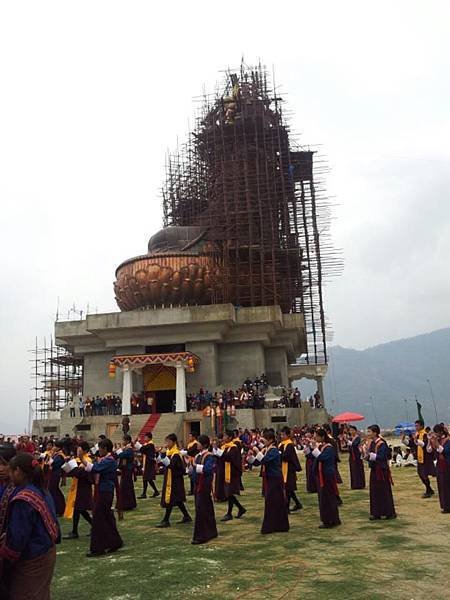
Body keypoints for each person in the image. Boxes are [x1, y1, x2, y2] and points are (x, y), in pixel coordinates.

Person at [0, 453, 60, 600]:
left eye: (11, 471)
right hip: (47, 551)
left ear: (18, 471)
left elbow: (17, 538)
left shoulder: (23, 499)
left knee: (25, 594)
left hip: (33, 557)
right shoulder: (41, 490)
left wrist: (6, 554)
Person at [82, 438, 123, 557]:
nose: (99, 450)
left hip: (104, 491)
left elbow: (95, 468)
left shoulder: (109, 460)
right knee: (107, 517)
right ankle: (115, 542)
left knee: (98, 519)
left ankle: (98, 548)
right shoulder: (106, 459)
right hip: (104, 491)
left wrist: (82, 458)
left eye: (100, 448)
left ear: (105, 449)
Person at [253, 429, 289, 534]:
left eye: (265, 438)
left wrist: (257, 451)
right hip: (270, 478)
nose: (263, 440)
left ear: (271, 440)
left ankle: (274, 526)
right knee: (273, 502)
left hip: (275, 479)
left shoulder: (273, 450)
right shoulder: (267, 449)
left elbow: (264, 460)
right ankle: (277, 525)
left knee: (273, 502)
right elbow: (258, 462)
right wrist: (250, 458)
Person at [156, 434, 192, 528]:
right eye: (166, 441)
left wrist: (164, 457)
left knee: (171, 498)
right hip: (170, 477)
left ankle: (166, 520)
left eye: (168, 442)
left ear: (174, 442)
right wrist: (160, 455)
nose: (166, 444)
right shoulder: (170, 452)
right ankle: (187, 516)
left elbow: (173, 466)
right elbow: (164, 463)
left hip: (175, 479)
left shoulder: (176, 454)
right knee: (177, 499)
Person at [62, 441, 93, 539]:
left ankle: (76, 531)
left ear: (85, 450)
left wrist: (73, 468)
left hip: (83, 487)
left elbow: (79, 473)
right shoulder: (76, 460)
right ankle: (92, 526)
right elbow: (70, 473)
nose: (77, 450)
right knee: (80, 509)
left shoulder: (87, 460)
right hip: (77, 487)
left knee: (79, 508)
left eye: (79, 448)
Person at [365, 424, 396, 520]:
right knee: (375, 492)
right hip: (374, 469)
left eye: (369, 431)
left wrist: (372, 456)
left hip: (381, 470)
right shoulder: (373, 443)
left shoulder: (381, 443)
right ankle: (376, 512)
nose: (368, 433)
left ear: (375, 433)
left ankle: (388, 512)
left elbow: (383, 456)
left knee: (384, 491)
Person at [191, 435, 218, 545]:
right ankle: (211, 531)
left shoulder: (209, 456)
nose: (197, 445)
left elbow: (208, 469)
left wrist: (194, 466)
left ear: (205, 445)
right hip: (198, 485)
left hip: (204, 486)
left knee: (202, 509)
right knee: (206, 508)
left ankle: (202, 535)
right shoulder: (198, 455)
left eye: (199, 443)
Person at [312, 428, 341, 529]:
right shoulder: (322, 446)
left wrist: (314, 449)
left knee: (328, 498)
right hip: (322, 475)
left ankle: (331, 520)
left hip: (327, 476)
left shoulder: (329, 448)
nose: (315, 438)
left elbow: (322, 458)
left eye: (316, 436)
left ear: (322, 436)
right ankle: (331, 519)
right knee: (325, 498)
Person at [214, 430, 246, 521]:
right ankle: (240, 509)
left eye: (225, 436)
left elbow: (229, 458)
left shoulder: (234, 447)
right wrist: (216, 453)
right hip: (225, 472)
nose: (223, 438)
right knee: (229, 493)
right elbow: (222, 458)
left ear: (230, 437)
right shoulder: (224, 447)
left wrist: (220, 453)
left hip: (232, 473)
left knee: (229, 493)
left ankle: (230, 513)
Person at [403, 420, 436, 498]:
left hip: (426, 458)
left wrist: (416, 440)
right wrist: (404, 440)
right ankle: (429, 489)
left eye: (417, 425)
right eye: (415, 426)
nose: (416, 427)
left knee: (427, 473)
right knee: (421, 474)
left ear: (421, 426)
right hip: (419, 458)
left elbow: (424, 444)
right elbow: (412, 444)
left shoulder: (425, 434)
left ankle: (429, 490)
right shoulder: (417, 434)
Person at [279, 426, 302, 512]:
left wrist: (280, 454)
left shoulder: (289, 445)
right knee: (289, 488)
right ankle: (297, 504)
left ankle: (286, 508)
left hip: (289, 469)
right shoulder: (281, 444)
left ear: (288, 435)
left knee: (288, 488)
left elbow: (287, 457)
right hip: (283, 468)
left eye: (283, 434)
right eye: (281, 434)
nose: (282, 436)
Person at [429, 424, 450, 513]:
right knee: (441, 486)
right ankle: (445, 506)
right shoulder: (439, 440)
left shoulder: (448, 440)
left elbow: (445, 451)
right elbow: (429, 450)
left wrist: (437, 444)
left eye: (436, 432)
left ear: (441, 432)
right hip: (440, 466)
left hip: (447, 465)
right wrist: (431, 441)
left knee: (447, 486)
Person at [117, 435, 137, 511]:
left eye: (124, 440)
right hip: (125, 470)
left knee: (126, 487)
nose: (123, 442)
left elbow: (122, 455)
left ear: (127, 441)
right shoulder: (126, 449)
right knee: (125, 487)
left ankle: (127, 505)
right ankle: (127, 504)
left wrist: (119, 450)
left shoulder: (129, 449)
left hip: (127, 471)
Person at [136, 433, 159, 499]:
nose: (144, 438)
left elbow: (143, 449)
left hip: (149, 463)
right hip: (147, 463)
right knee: (146, 478)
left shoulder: (150, 445)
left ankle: (147, 493)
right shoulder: (148, 445)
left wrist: (137, 443)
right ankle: (151, 492)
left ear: (149, 438)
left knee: (147, 478)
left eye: (146, 437)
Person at [48, 440, 66, 517]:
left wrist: (50, 459)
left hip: (55, 475)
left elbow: (53, 464)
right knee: (54, 491)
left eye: (55, 446)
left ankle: (59, 509)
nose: (53, 447)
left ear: (58, 447)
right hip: (53, 474)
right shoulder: (56, 454)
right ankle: (58, 508)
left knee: (54, 491)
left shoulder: (60, 456)